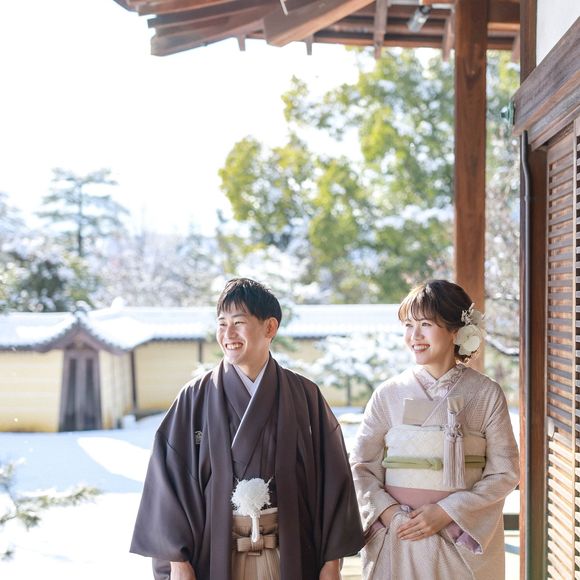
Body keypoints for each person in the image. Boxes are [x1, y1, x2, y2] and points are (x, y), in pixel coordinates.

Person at [131, 277, 364, 580]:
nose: (228, 334)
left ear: (270, 328)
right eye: (222, 323)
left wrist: (331, 562)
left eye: (238, 322)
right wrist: (178, 562)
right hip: (214, 556)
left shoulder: (304, 395)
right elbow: (168, 480)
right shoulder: (194, 398)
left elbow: (333, 479)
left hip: (290, 553)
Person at [349, 280, 519, 579]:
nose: (414, 336)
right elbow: (361, 467)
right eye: (408, 325)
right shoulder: (388, 394)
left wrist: (447, 512)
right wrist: (389, 513)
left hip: (457, 535)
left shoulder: (485, 393)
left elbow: (504, 472)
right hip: (399, 532)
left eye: (425, 324)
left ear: (456, 330)